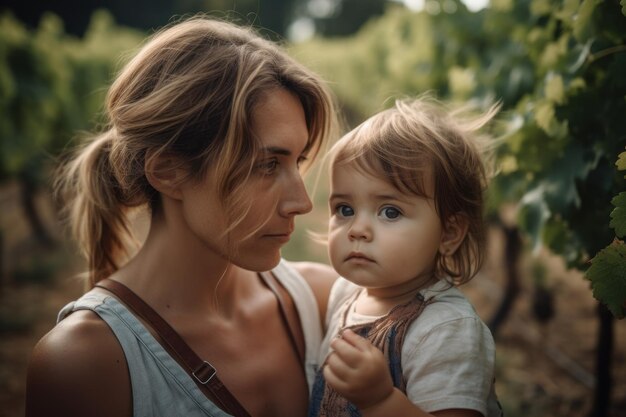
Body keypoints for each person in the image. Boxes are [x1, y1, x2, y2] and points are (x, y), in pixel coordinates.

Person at [25, 16, 340, 417]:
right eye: (266, 165)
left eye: (297, 161)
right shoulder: (84, 363)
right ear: (169, 172)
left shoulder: (323, 301)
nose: (301, 202)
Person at [308, 96, 503, 417]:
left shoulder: (446, 329)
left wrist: (381, 401)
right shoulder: (345, 295)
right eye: (345, 209)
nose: (358, 229)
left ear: (449, 233)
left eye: (390, 211)